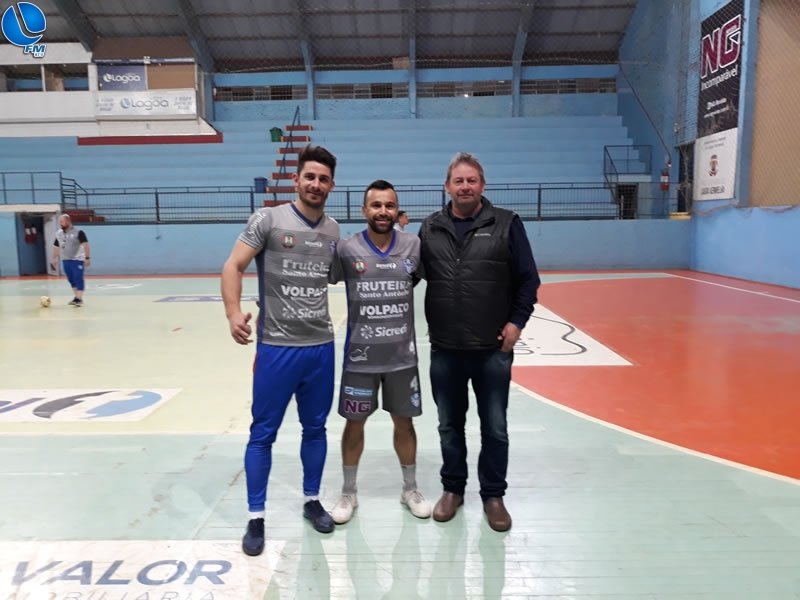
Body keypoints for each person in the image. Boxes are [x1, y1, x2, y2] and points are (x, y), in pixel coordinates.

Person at [221, 145, 341, 556]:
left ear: (331, 185)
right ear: (296, 180)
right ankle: (256, 517)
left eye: (323, 179)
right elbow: (233, 265)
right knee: (263, 434)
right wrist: (233, 311)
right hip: (276, 348)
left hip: (321, 348)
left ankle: (311, 499)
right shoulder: (268, 219)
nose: (316, 184)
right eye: (310, 176)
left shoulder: (333, 231)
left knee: (316, 429)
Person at [418, 152, 540, 532]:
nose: (465, 187)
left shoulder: (506, 224)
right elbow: (408, 276)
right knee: (448, 426)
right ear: (447, 186)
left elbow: (528, 280)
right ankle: (453, 489)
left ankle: (493, 495)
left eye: (472, 180)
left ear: (482, 185)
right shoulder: (430, 228)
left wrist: (517, 323)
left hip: (492, 350)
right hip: (445, 349)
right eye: (459, 181)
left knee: (495, 427)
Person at [328, 180, 431, 524]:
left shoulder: (413, 247)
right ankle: (348, 492)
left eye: (389, 206)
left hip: (403, 359)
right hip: (360, 359)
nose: (382, 212)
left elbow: (424, 280)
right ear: (364, 210)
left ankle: (410, 488)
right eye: (376, 205)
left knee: (405, 423)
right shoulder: (346, 249)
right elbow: (317, 279)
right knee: (353, 424)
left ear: (396, 210)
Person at [50, 214, 91, 306]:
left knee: (78, 278)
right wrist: (54, 258)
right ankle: (76, 297)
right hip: (66, 260)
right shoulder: (59, 233)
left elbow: (86, 245)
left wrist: (87, 257)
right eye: (59, 222)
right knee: (71, 279)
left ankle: (79, 298)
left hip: (77, 259)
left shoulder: (79, 232)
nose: (60, 224)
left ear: (68, 221)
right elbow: (56, 246)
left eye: (62, 222)